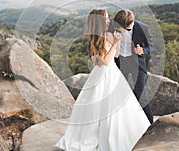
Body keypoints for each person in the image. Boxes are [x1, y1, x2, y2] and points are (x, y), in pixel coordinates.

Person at [54, 9, 150, 151]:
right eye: (105, 18)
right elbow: (106, 60)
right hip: (106, 72)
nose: (108, 20)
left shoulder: (96, 36)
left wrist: (116, 45)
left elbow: (113, 56)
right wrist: (115, 42)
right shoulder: (105, 36)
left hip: (104, 72)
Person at [109, 9, 154, 124]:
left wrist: (142, 50)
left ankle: (150, 123)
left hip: (137, 64)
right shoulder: (113, 26)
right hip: (119, 64)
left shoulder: (143, 27)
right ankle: (124, 123)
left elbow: (151, 47)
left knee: (140, 94)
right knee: (119, 94)